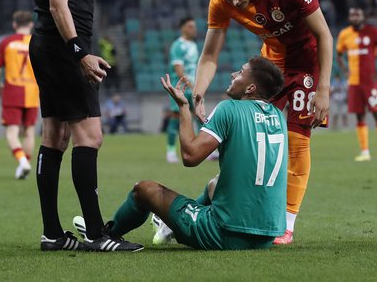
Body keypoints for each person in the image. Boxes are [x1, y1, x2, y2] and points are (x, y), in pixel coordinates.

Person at [28, 0, 141, 252]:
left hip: (51, 47)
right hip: (63, 51)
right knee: (89, 136)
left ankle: (52, 234)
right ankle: (95, 234)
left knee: (55, 137)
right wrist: (79, 52)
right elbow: (59, 4)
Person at [73, 56, 288, 250]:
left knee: (143, 190)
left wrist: (183, 108)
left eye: (240, 72)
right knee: (215, 184)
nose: (233, 74)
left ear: (250, 88)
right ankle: (169, 227)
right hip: (267, 235)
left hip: (226, 233)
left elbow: (190, 157)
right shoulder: (279, 117)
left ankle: (106, 235)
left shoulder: (229, 109)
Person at [192, 0, 334, 245]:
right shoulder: (222, 0)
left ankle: (287, 224)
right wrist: (198, 91)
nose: (235, 3)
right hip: (272, 64)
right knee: (248, 143)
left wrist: (323, 89)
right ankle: (198, 209)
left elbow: (324, 36)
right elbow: (209, 55)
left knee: (297, 141)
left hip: (307, 63)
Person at [336, 6, 377, 161]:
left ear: (363, 16)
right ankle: (365, 152)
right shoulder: (345, 34)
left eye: (357, 14)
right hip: (354, 82)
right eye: (352, 15)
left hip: (370, 82)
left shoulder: (373, 32)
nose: (354, 17)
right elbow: (338, 54)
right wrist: (345, 71)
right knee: (360, 116)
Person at [0, 10, 39, 179]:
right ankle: (25, 165)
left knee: (12, 131)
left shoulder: (7, 43)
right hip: (33, 91)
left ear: (14, 24)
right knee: (29, 131)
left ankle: (22, 161)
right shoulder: (38, 42)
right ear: (31, 24)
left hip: (13, 91)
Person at [165, 17, 199, 163]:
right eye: (190, 26)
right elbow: (179, 69)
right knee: (175, 117)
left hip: (193, 87)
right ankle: (171, 152)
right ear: (183, 28)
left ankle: (205, 150)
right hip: (181, 88)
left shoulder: (194, 45)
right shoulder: (177, 45)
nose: (194, 29)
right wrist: (191, 85)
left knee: (199, 116)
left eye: (194, 26)